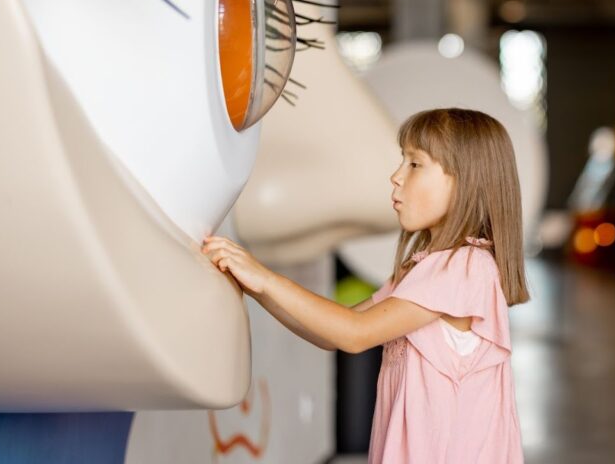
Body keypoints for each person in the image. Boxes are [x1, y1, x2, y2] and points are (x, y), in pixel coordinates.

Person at [204, 108, 528, 463]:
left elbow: (353, 333)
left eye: (415, 164)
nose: (396, 176)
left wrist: (264, 276)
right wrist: (255, 286)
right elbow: (332, 332)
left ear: (464, 181)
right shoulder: (423, 270)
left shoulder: (465, 267)